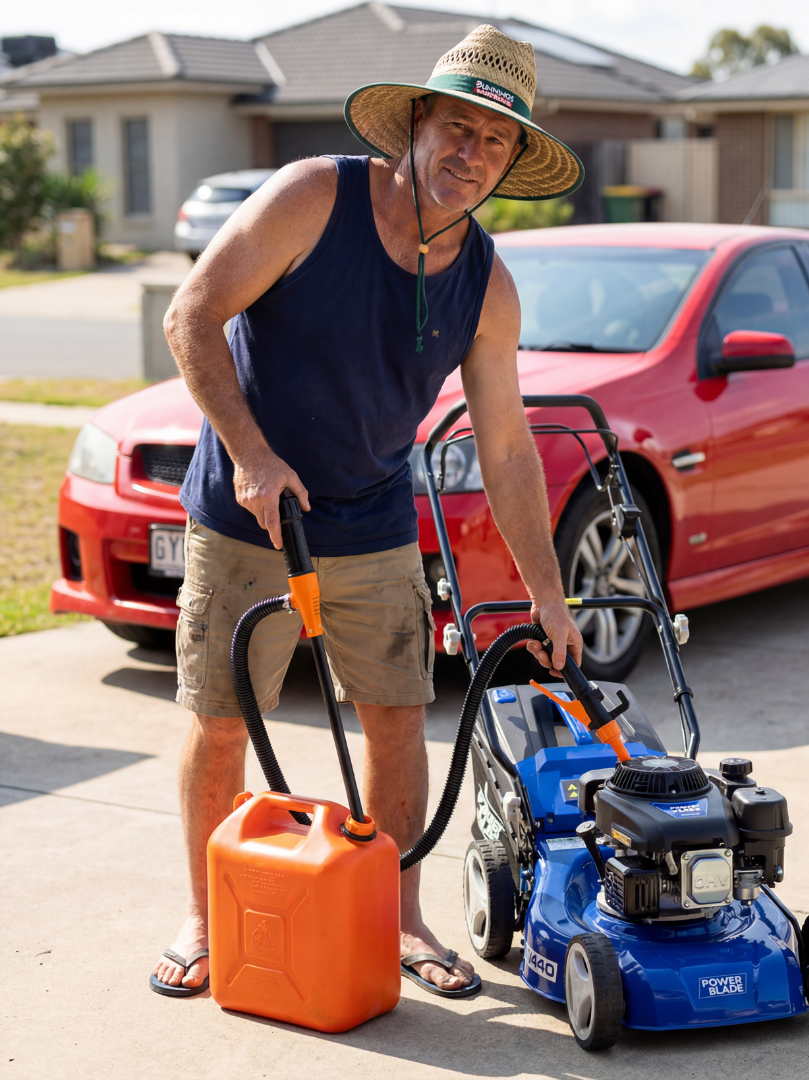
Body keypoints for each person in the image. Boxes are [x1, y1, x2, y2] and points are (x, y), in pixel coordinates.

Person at [149, 25, 584, 1000]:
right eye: (457, 129)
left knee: (397, 720)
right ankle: (202, 912)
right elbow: (192, 314)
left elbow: (508, 448)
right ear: (416, 123)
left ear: (513, 162)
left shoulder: (488, 284)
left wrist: (547, 598)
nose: (470, 156)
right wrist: (255, 456)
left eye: (494, 143)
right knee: (225, 723)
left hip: (375, 519)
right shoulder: (316, 196)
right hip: (249, 517)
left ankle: (399, 917)